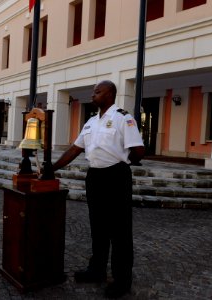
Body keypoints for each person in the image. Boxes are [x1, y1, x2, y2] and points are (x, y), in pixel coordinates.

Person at [50, 80, 145, 298]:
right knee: (98, 226)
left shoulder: (123, 118)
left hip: (116, 176)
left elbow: (138, 150)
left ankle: (122, 281)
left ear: (109, 94)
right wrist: (52, 168)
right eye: (93, 92)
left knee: (120, 231)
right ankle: (97, 270)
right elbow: (75, 149)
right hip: (95, 177)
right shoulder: (91, 122)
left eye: (97, 92)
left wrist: (122, 162)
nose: (93, 95)